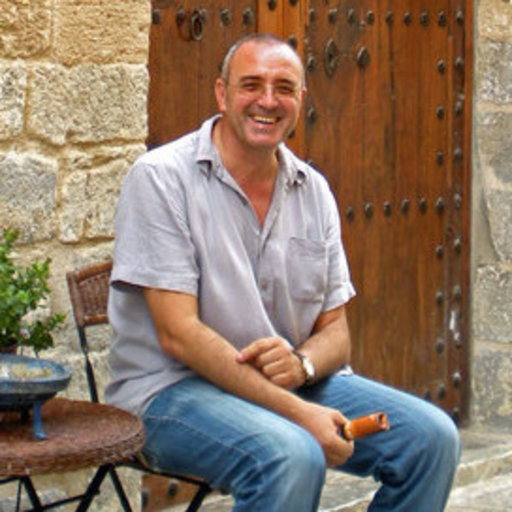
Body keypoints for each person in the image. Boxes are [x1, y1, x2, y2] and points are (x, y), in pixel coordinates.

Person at [106, 33, 460, 511]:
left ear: (301, 100)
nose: (268, 101)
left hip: (286, 385)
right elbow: (178, 335)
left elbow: (336, 333)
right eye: (251, 85)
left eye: (284, 88)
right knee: (291, 456)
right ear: (222, 93)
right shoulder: (161, 178)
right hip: (172, 392)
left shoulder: (313, 191)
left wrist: (301, 365)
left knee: (431, 439)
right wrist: (298, 413)